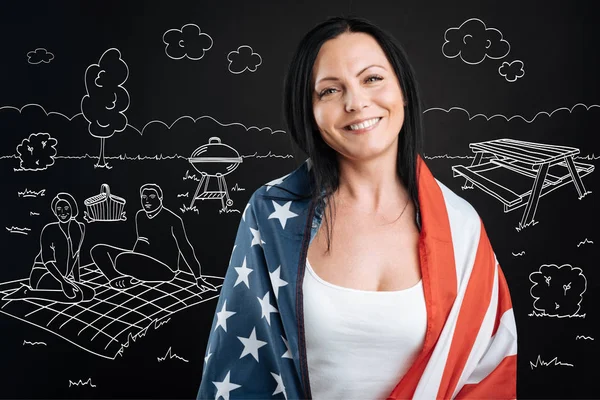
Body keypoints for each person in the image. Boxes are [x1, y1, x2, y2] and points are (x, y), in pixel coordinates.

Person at [197, 16, 517, 400]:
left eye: (372, 79)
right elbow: (240, 370)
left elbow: (488, 373)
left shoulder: (460, 225)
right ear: (310, 112)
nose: (355, 102)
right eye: (329, 91)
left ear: (402, 90)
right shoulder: (269, 214)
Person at [90, 183, 217, 292]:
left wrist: (198, 278)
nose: (147, 201)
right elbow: (141, 241)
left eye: (151, 197)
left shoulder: (173, 220)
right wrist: (134, 256)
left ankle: (130, 273)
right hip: (141, 259)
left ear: (160, 198)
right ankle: (116, 278)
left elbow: (185, 248)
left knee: (122, 260)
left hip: (165, 268)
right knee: (98, 249)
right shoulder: (140, 215)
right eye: (144, 198)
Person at [4, 192, 95, 303]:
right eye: (59, 209)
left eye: (66, 208)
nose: (62, 212)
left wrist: (77, 282)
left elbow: (76, 256)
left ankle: (31, 292)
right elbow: (47, 261)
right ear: (55, 212)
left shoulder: (80, 227)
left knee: (90, 293)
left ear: (72, 209)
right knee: (75, 296)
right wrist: (64, 282)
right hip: (43, 275)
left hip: (62, 278)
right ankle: (27, 292)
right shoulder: (50, 229)